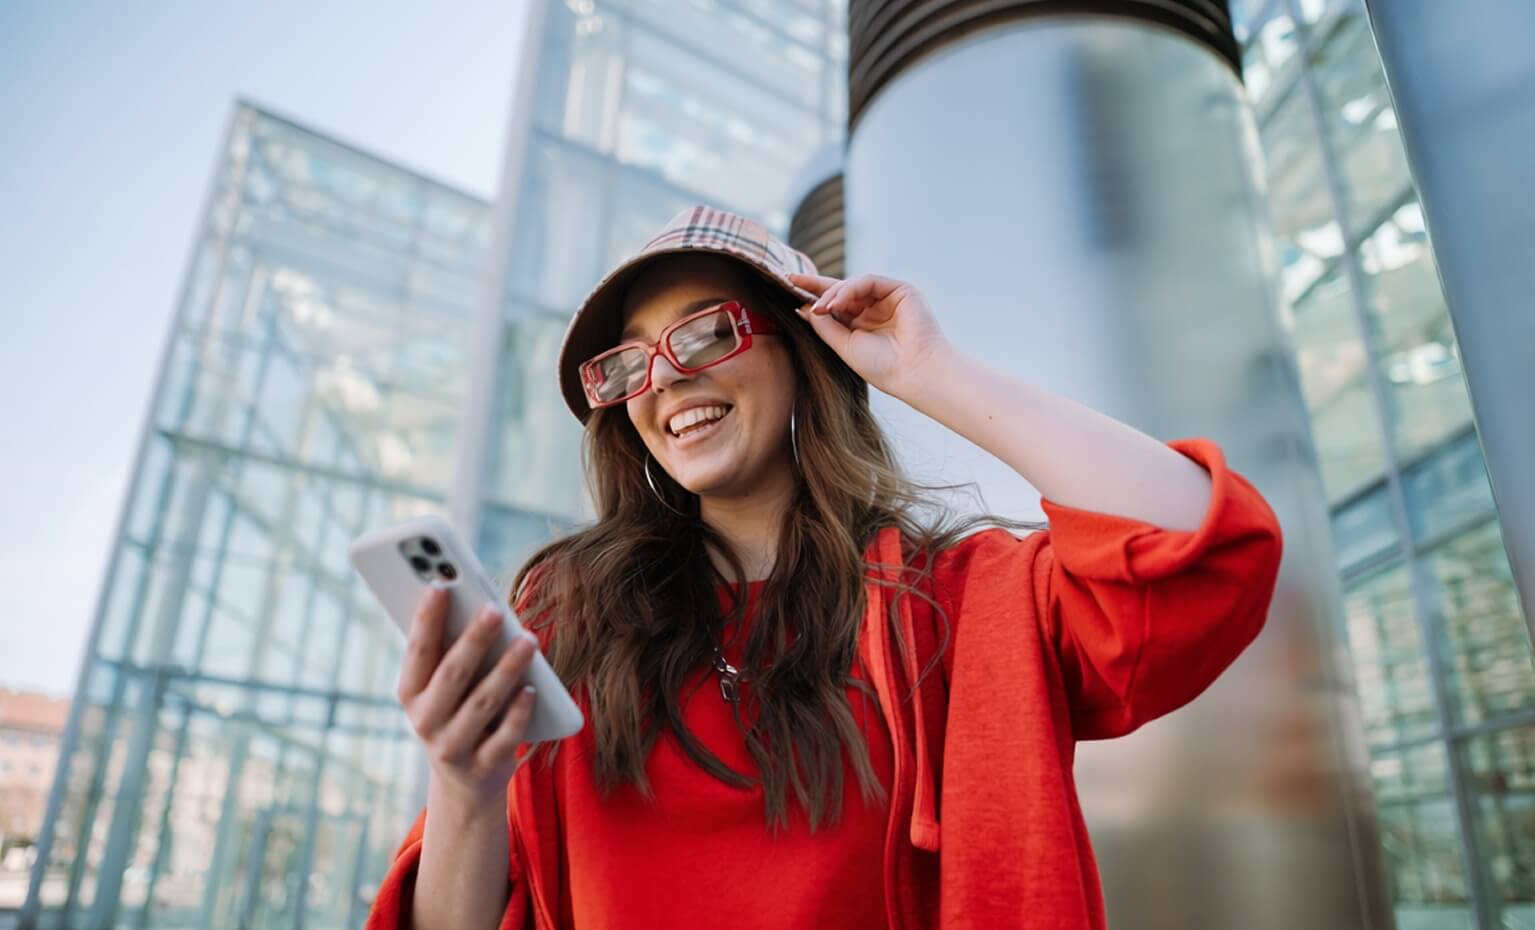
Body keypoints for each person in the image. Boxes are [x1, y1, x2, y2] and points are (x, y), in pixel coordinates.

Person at [364, 205, 1283, 930]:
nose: (665, 380)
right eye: (627, 365)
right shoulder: (568, 626)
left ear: (802, 350)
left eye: (704, 335)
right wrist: (464, 787)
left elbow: (1197, 546)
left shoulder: (951, 606)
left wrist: (932, 372)